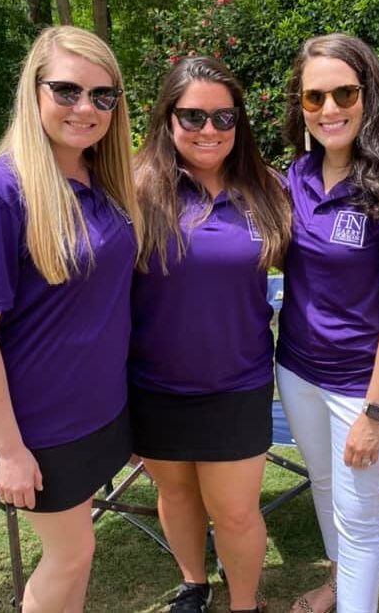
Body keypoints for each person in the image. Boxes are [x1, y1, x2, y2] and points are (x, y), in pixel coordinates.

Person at [0, 25, 142, 613]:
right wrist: (8, 450)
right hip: (38, 427)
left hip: (99, 412)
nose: (86, 108)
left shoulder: (101, 181)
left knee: (78, 552)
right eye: (67, 90)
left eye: (103, 96)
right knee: (71, 554)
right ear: (33, 91)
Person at [276, 33, 379, 613]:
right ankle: (337, 584)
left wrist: (374, 416)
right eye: (314, 97)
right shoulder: (296, 177)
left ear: (369, 95)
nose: (329, 109)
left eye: (344, 93)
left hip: (359, 387)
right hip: (296, 371)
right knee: (324, 487)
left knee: (360, 518)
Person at [129, 56, 290, 613]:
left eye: (224, 118)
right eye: (193, 116)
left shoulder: (265, 189)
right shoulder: (134, 189)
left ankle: (243, 604)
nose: (209, 130)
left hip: (237, 382)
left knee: (236, 512)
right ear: (167, 118)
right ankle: (193, 583)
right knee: (175, 494)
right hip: (153, 385)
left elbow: (325, 260)